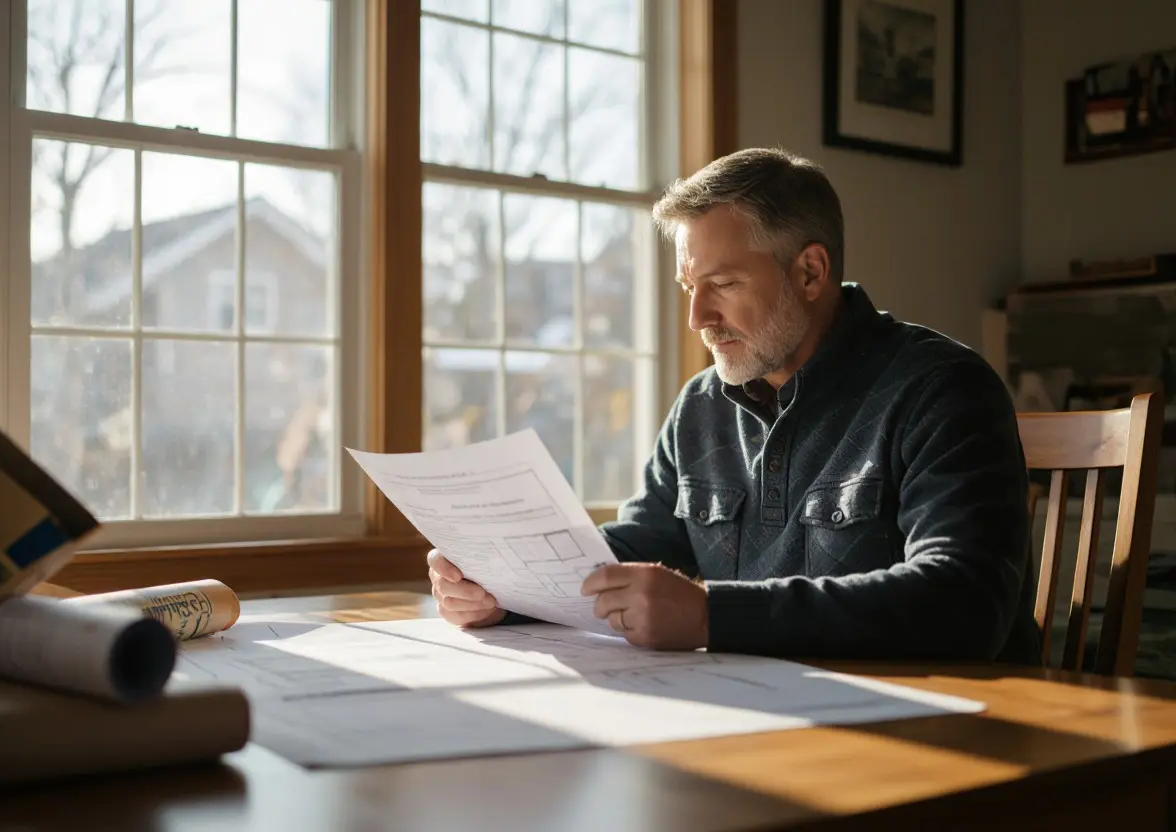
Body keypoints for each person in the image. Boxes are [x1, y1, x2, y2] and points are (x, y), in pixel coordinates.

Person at [428, 147, 1039, 663]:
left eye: (721, 284)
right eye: (690, 288)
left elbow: (965, 601)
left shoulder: (942, 389)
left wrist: (711, 616)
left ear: (809, 272)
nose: (697, 318)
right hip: (765, 725)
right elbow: (645, 543)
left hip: (945, 747)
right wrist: (506, 586)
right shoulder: (700, 407)